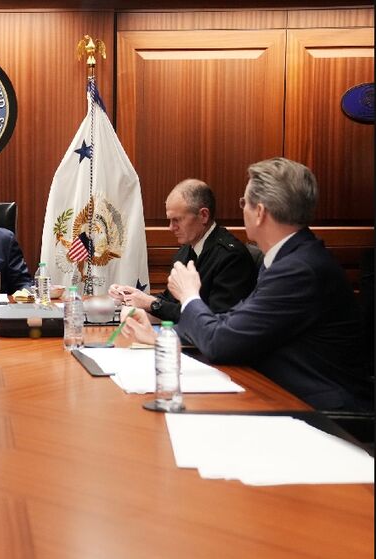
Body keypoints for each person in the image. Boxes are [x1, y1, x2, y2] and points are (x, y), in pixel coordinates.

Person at [122, 158, 372, 411]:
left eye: (244, 203)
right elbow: (232, 323)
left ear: (260, 212)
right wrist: (164, 338)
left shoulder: (299, 270)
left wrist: (189, 297)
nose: (242, 209)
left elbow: (222, 342)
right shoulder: (287, 258)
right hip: (281, 394)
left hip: (323, 413)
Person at [109, 179, 256, 322]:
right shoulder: (186, 250)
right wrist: (133, 296)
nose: (171, 228)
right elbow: (171, 300)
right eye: (170, 220)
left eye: (177, 220)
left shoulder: (231, 258)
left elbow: (214, 320)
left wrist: (151, 303)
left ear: (203, 215)